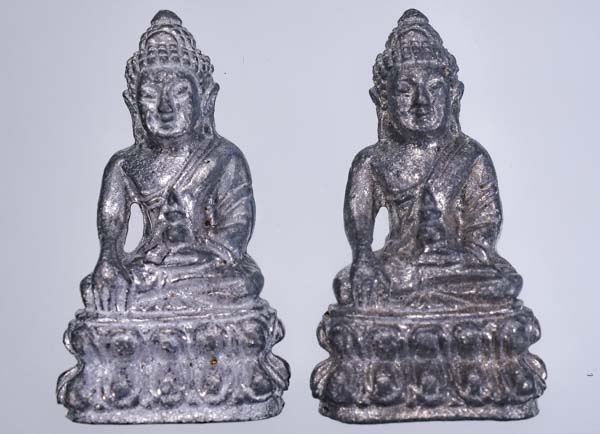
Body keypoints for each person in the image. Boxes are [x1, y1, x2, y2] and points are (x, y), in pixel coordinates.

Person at [333, 9, 521, 309]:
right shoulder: (371, 162)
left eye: (433, 88)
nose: (421, 101)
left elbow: (484, 229)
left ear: (454, 94)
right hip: (397, 265)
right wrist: (364, 259)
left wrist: (453, 254)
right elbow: (360, 234)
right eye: (405, 90)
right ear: (382, 100)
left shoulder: (470, 156)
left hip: (456, 265)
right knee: (347, 284)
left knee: (504, 283)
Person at [80, 11, 262, 312]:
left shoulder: (224, 158)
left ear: (205, 99)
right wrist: (109, 262)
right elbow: (111, 232)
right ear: (133, 104)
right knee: (94, 290)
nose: (165, 107)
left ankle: (153, 301)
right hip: (147, 266)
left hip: (204, 268)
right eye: (150, 95)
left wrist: (192, 254)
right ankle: (151, 302)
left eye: (179, 93)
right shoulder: (124, 165)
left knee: (243, 283)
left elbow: (236, 230)